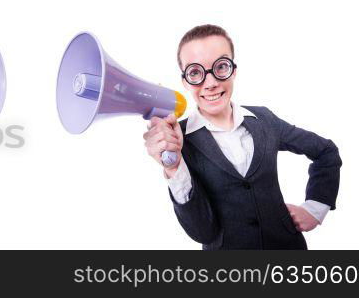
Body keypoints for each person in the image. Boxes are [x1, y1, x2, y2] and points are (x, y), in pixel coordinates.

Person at [143, 24, 341, 249]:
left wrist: (315, 208)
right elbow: (202, 232)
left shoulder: (265, 120)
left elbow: (326, 152)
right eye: (196, 72)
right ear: (185, 81)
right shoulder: (179, 140)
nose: (210, 83)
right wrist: (173, 166)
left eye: (221, 67)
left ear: (234, 70)